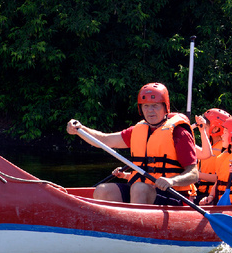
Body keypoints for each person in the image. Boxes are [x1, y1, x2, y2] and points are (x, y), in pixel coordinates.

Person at [66, 82, 199, 205]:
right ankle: (115, 226)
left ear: (165, 107)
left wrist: (172, 181)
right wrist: (80, 130)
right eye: (146, 106)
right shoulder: (136, 131)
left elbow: (194, 174)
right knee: (103, 190)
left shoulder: (179, 133)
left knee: (138, 188)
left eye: (155, 105)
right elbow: (105, 140)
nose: (150, 110)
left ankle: (135, 227)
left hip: (173, 194)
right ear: (141, 109)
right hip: (141, 190)